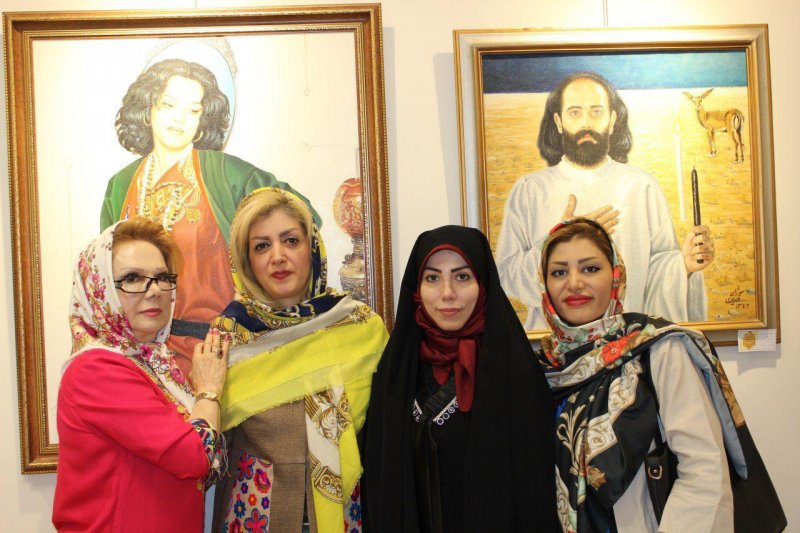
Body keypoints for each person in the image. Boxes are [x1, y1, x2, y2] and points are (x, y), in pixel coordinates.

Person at [537, 218, 785, 532]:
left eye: (590, 268)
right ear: (544, 284)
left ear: (615, 276)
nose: (574, 283)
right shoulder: (544, 368)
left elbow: (704, 469)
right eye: (559, 272)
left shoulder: (658, 349)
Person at [101, 58, 319, 373]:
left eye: (193, 110)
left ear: (204, 119)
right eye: (168, 105)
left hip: (221, 352)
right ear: (147, 108)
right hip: (143, 355)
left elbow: (303, 218)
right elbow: (105, 277)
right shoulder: (121, 185)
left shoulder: (228, 174)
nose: (179, 119)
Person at [210, 188, 388, 533]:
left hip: (349, 515)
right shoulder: (229, 337)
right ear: (246, 261)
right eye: (262, 246)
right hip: (254, 515)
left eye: (290, 241)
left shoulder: (360, 327)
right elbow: (209, 452)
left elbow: (388, 437)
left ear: (312, 247)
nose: (278, 257)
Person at [363, 225, 558, 532]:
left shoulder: (516, 375)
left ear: (483, 284)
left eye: (462, 276)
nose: (447, 293)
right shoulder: (395, 374)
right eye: (432, 278)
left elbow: (535, 497)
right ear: (416, 288)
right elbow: (379, 490)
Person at [496, 70, 715, 330]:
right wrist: (561, 238)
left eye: (596, 112)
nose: (586, 123)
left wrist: (683, 265)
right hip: (554, 345)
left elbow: (658, 268)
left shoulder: (641, 186)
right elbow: (507, 277)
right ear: (558, 121)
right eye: (574, 112)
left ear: (611, 120)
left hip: (627, 341)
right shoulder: (530, 189)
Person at [53, 217, 230, 532]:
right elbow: (195, 456)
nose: (155, 291)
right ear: (99, 290)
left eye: (162, 277)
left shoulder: (153, 364)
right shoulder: (95, 370)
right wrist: (208, 391)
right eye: (132, 278)